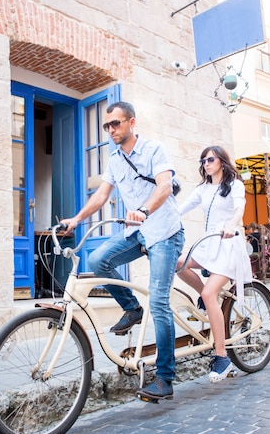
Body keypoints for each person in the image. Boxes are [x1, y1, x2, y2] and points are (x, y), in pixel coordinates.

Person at [60, 101, 184, 401]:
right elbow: (102, 194)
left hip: (165, 233)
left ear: (131, 122)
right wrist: (76, 220)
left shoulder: (154, 149)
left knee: (160, 303)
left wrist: (143, 209)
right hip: (137, 233)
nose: (110, 129)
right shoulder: (115, 159)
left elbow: (164, 186)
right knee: (98, 259)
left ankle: (165, 378)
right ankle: (131, 308)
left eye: (115, 123)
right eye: (107, 125)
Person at [175, 146, 253, 383]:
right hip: (208, 243)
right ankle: (205, 295)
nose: (206, 163)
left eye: (211, 159)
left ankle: (222, 357)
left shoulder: (235, 185)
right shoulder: (202, 189)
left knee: (211, 294)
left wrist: (231, 224)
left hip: (228, 244)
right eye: (203, 160)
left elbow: (239, 207)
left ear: (221, 161)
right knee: (178, 263)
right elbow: (181, 208)